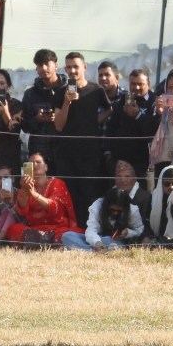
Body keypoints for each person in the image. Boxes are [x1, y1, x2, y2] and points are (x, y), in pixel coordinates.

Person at [54, 52, 109, 228]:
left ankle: (89, 231)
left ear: (84, 67)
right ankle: (70, 231)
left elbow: (109, 109)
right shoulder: (60, 93)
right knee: (69, 195)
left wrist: (93, 122)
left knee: (89, 195)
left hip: (90, 154)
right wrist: (66, 103)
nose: (72, 71)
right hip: (66, 154)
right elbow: (58, 126)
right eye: (69, 67)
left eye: (76, 67)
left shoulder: (96, 90)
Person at [3, 151, 81, 247]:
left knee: (69, 234)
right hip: (35, 230)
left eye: (38, 162)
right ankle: (46, 242)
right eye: (31, 164)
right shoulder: (26, 186)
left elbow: (55, 209)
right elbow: (22, 211)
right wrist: (24, 190)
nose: (35, 165)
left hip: (57, 228)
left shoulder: (57, 183)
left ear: (46, 167)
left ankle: (39, 242)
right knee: (13, 229)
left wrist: (34, 194)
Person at [106, 68, 158, 179]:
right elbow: (112, 126)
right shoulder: (124, 100)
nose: (137, 87)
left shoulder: (154, 102)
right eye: (133, 84)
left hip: (142, 162)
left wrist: (138, 115)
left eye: (140, 84)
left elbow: (152, 130)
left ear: (148, 84)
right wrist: (109, 152)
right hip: (120, 160)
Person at [62, 186, 144, 252]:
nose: (115, 213)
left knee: (108, 240)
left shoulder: (132, 210)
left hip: (115, 242)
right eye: (113, 210)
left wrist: (128, 232)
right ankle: (95, 251)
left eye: (119, 211)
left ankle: (86, 250)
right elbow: (91, 229)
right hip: (97, 240)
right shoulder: (97, 206)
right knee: (67, 236)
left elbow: (140, 229)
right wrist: (97, 242)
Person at [21, 48, 67, 163]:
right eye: (40, 65)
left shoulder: (68, 91)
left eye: (47, 64)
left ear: (56, 65)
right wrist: (37, 119)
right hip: (38, 154)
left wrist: (59, 117)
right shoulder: (30, 94)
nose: (44, 68)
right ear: (36, 69)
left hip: (64, 151)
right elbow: (25, 126)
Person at [112, 160, 151, 228]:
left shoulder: (146, 198)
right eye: (119, 176)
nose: (123, 180)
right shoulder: (109, 197)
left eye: (127, 176)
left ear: (135, 179)